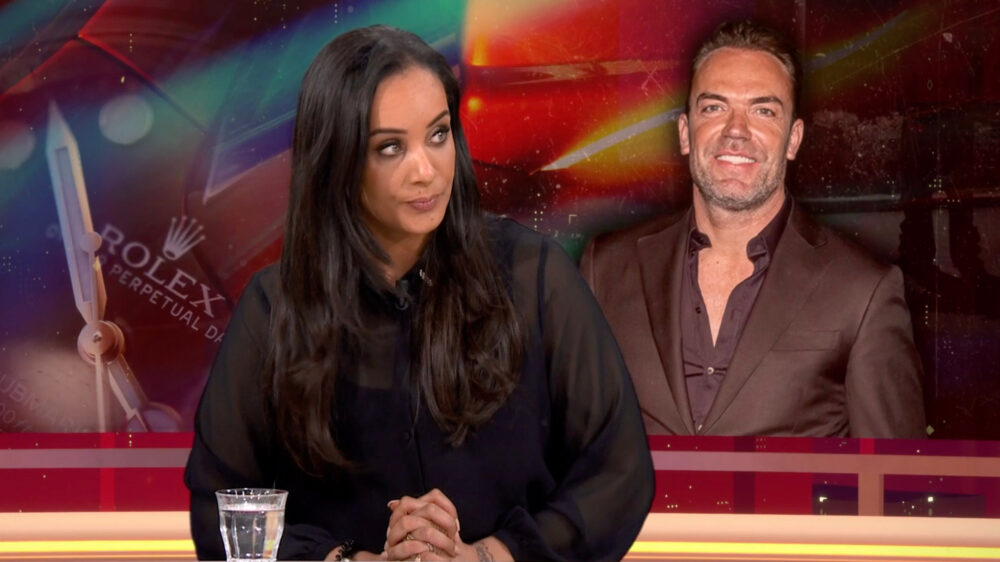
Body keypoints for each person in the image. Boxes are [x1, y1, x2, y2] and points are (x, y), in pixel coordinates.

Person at [185, 25, 653, 561]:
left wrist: (489, 556)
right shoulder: (274, 309)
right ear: (337, 161)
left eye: (438, 134)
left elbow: (620, 473)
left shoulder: (535, 275)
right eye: (390, 147)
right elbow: (219, 510)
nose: (426, 171)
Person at [580, 20, 925, 438]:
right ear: (685, 133)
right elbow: (571, 444)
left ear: (793, 139)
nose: (736, 131)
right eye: (714, 108)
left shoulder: (863, 290)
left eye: (763, 111)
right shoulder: (606, 268)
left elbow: (892, 473)